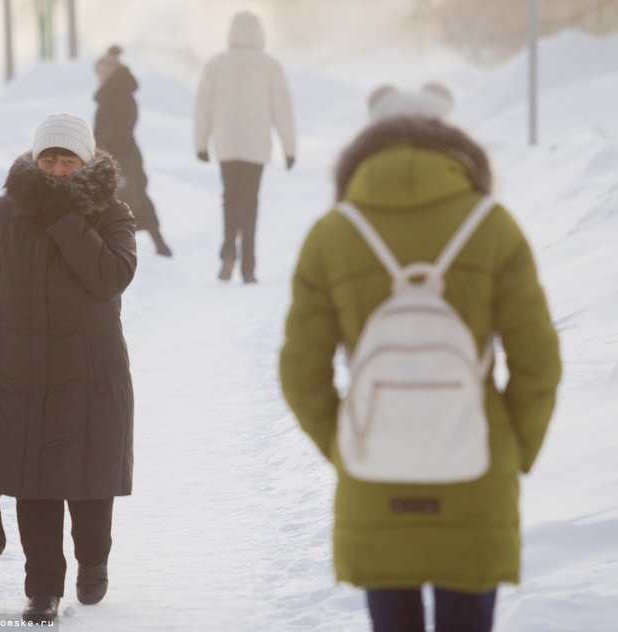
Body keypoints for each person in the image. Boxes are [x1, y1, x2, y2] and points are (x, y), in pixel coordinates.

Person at [278, 85, 561, 632]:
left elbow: (299, 371)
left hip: (374, 468)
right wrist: (512, 448)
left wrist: (343, 445)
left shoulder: (333, 234)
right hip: (477, 472)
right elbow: (539, 362)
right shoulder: (491, 226)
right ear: (453, 146)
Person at [0, 112, 137, 624]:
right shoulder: (3, 214)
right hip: (20, 375)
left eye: (67, 159)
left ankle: (93, 562)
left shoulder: (111, 213)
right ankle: (42, 588)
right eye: (47, 158)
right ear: (34, 159)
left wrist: (63, 218)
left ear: (86, 162)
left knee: (90, 481)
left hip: (92, 373)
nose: (55, 169)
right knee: (34, 484)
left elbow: (111, 277)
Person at [194, 10, 296, 283]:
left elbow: (202, 108)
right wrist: (290, 149)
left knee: (229, 199)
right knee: (250, 202)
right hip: (256, 146)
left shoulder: (216, 64)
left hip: (226, 143)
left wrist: (201, 143)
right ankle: (248, 266)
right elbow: (282, 111)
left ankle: (228, 252)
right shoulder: (270, 66)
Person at [93, 45, 173, 257]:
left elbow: (117, 132)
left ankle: (127, 248)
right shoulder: (116, 93)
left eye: (100, 73)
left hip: (120, 157)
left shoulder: (116, 96)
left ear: (109, 73)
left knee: (127, 199)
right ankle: (157, 244)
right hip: (119, 156)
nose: (98, 77)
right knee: (131, 198)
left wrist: (112, 162)